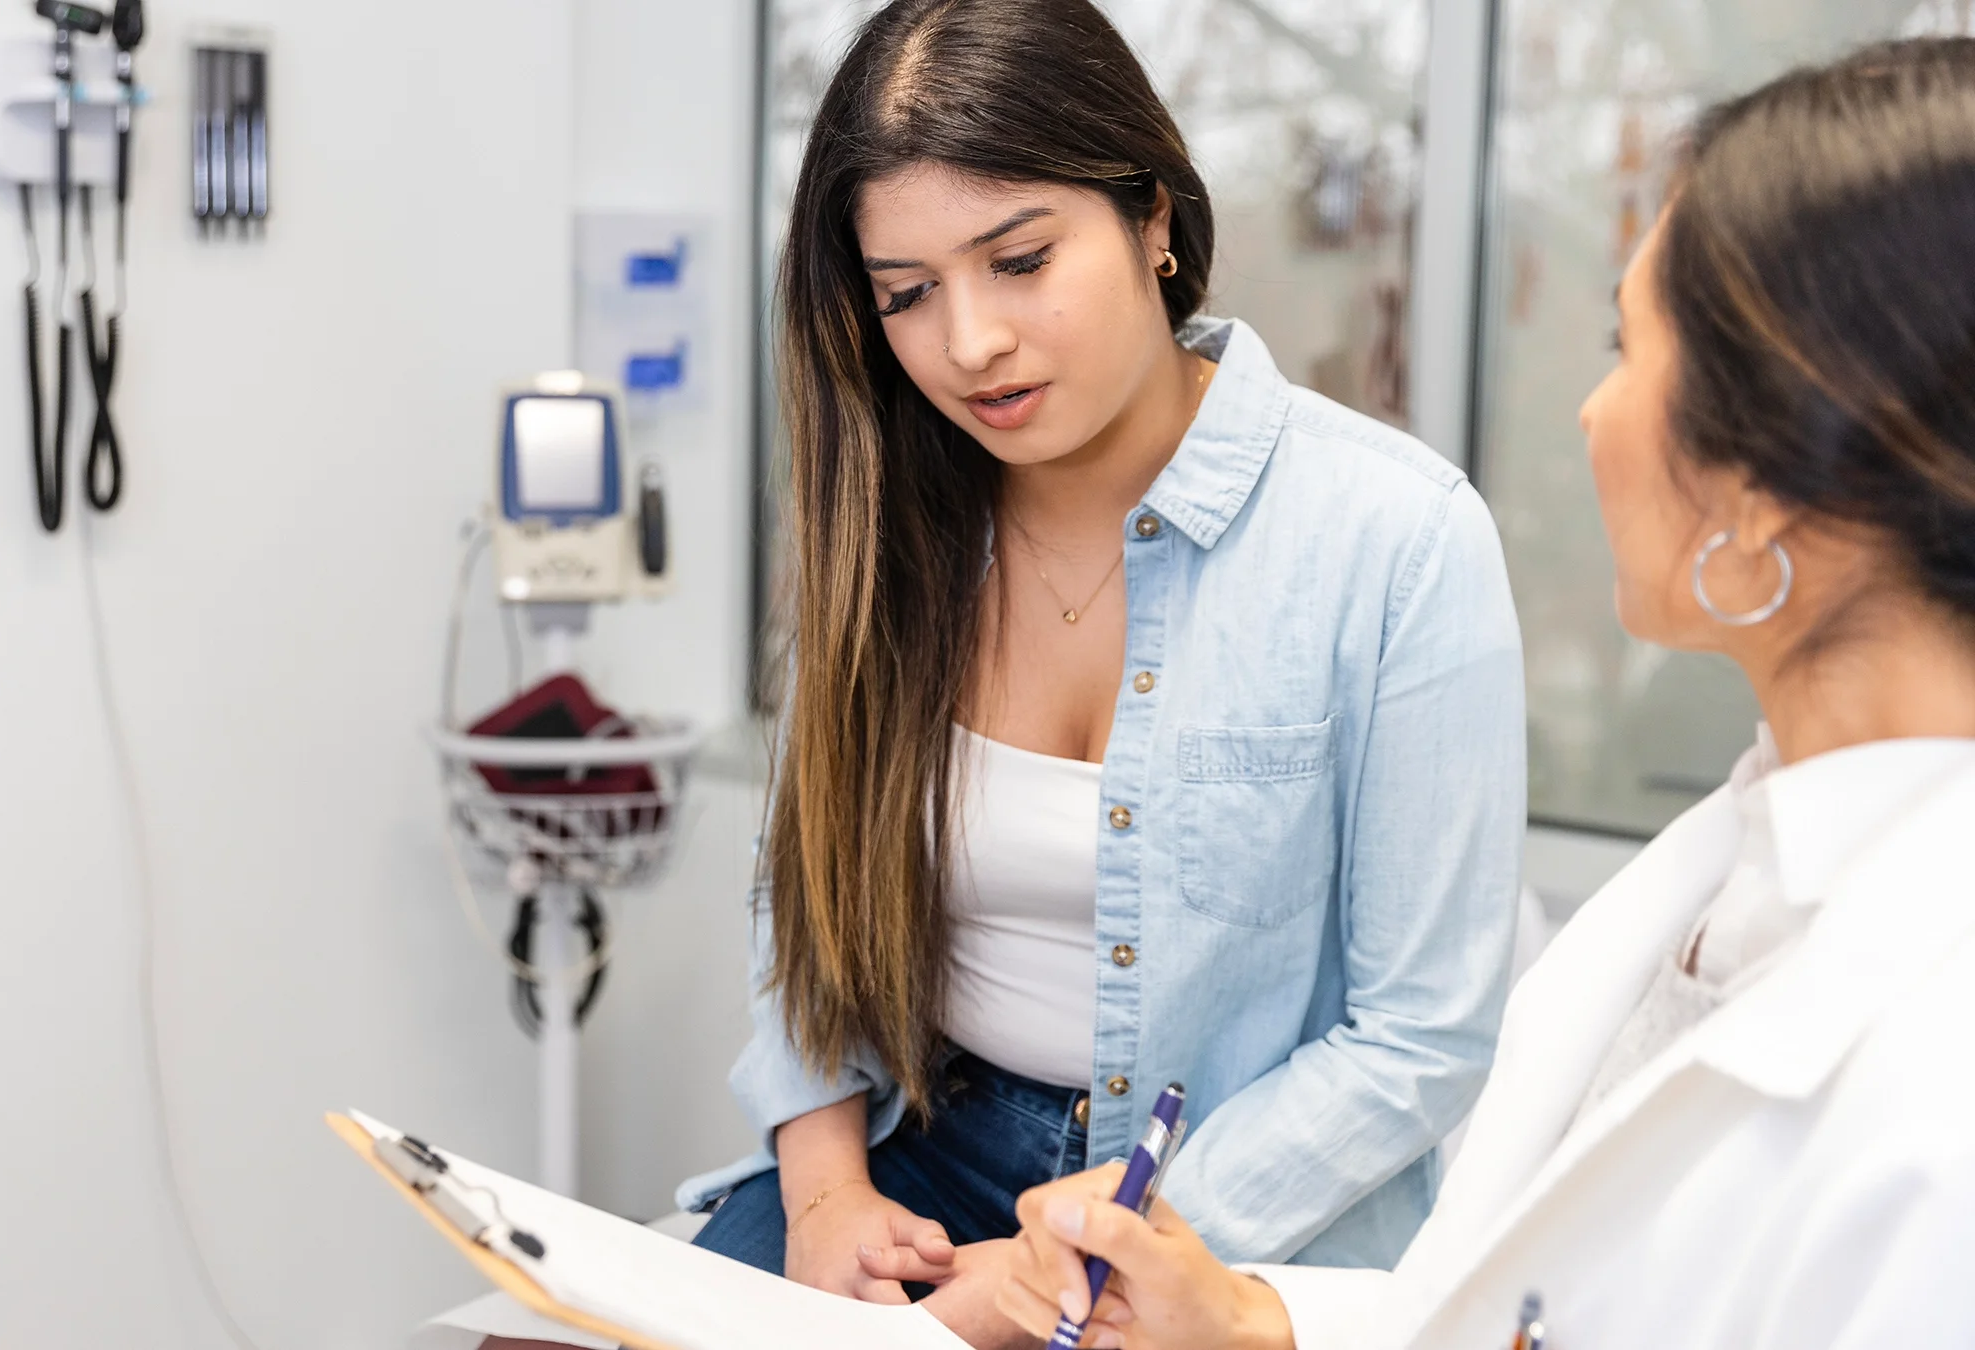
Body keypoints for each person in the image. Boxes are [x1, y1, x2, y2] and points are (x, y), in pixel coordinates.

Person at [996, 37, 1975, 1350]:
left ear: (1766, 476)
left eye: (1628, 347)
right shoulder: (1736, 865)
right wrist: (1253, 1319)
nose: (1589, 412)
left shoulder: (1941, 1085)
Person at [663, 1, 1526, 1343]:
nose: (970, 342)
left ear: (1153, 216)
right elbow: (809, 897)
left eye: (1019, 260)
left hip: (1219, 1215)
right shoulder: (892, 518)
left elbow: (1421, 1037)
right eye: (907, 293)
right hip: (916, 1150)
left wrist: (1064, 1266)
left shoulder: (1397, 539)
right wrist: (826, 1193)